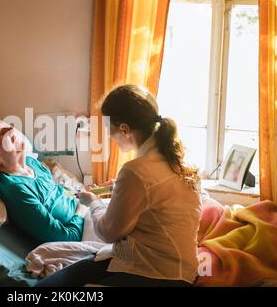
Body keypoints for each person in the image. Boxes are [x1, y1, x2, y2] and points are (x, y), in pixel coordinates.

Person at [37, 84, 201, 287]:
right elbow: (156, 199)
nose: (109, 137)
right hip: (179, 267)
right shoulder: (175, 161)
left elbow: (109, 232)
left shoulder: (136, 171)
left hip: (160, 274)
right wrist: (119, 189)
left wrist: (93, 202)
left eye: (109, 130)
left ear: (124, 129)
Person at [0, 118, 88, 243]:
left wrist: (82, 196)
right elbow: (67, 238)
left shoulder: (32, 163)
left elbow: (60, 195)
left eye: (6, 126)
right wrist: (83, 208)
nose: (11, 129)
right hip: (82, 229)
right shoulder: (15, 190)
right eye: (1, 133)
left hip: (85, 213)